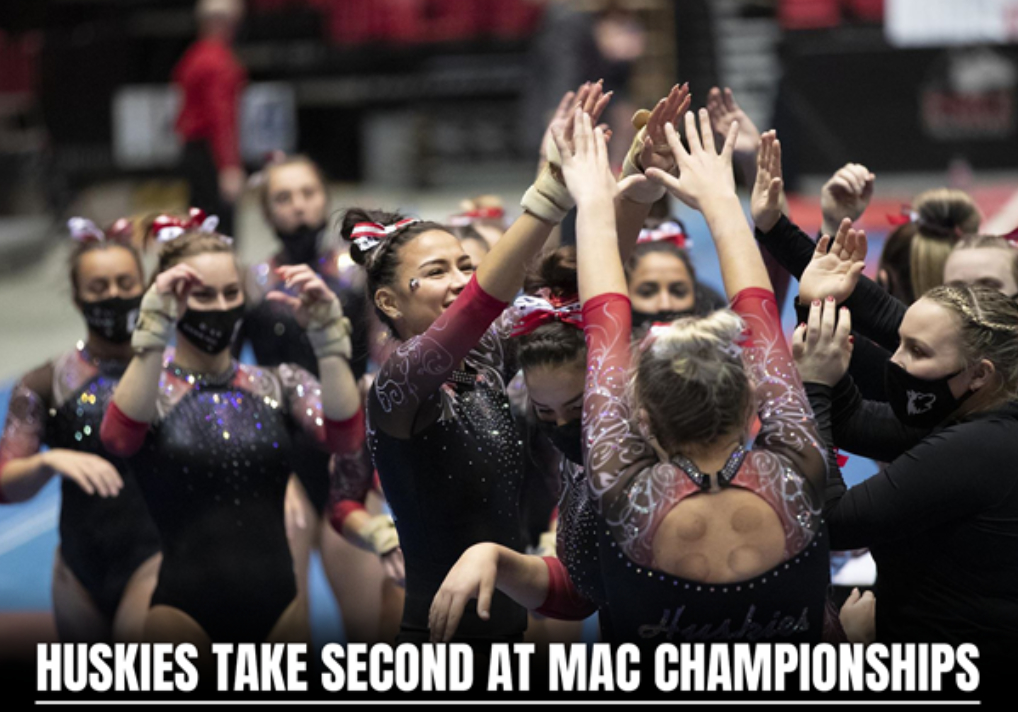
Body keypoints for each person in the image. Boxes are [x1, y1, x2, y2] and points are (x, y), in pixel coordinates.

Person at [431, 108, 830, 646]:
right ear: (753, 401)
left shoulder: (622, 484)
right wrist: (720, 197)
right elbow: (760, 313)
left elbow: (605, 323)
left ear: (640, 415)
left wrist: (594, 198)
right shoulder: (800, 468)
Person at [344, 83, 617, 646]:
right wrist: (547, 192)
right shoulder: (396, 384)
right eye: (438, 270)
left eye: (466, 264)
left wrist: (616, 191)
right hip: (435, 645)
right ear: (388, 303)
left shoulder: (487, 362)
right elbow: (479, 306)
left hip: (512, 636)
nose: (461, 280)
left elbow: (582, 289)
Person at [99, 210, 364, 647]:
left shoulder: (279, 383)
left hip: (281, 608)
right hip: (183, 614)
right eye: (202, 295)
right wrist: (152, 331)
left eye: (230, 293)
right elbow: (118, 438)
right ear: (168, 299)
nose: (220, 306)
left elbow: (345, 438)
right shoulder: (153, 392)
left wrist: (329, 342)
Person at [794, 283, 1018, 680]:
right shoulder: (981, 414)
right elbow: (854, 421)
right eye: (899, 344)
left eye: (917, 351)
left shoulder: (978, 446)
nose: (894, 363)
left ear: (980, 374)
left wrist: (815, 387)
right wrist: (814, 304)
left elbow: (830, 521)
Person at [240, 153, 399, 643]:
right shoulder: (250, 284)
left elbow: (387, 356)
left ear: (325, 199)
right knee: (286, 632)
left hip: (345, 459)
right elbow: (229, 377)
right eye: (283, 198)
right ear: (267, 213)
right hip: (278, 460)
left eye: (308, 194)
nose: (298, 207)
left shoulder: (355, 278)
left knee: (370, 625)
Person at [0, 217, 161, 643]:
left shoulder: (171, 376)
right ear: (76, 296)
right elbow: (6, 487)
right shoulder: (44, 383)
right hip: (78, 568)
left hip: (156, 557)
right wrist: (48, 460)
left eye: (126, 283)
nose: (114, 295)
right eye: (98, 286)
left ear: (145, 286)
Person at [173, 0, 247, 239]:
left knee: (202, 223)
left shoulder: (194, 54)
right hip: (210, 153)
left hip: (195, 149)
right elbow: (221, 117)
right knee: (220, 229)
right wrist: (229, 165)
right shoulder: (218, 61)